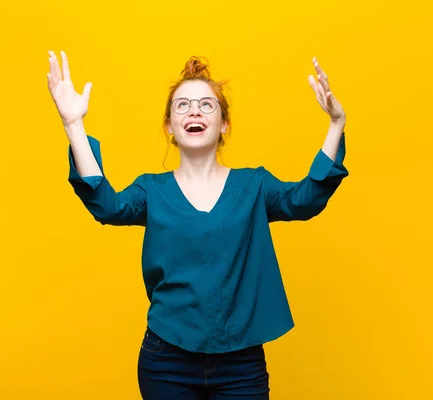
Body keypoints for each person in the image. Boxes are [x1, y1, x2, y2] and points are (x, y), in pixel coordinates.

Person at [46, 50, 349, 399]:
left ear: (224, 124)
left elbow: (306, 199)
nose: (194, 111)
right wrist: (73, 124)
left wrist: (336, 124)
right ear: (169, 126)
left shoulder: (254, 187)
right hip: (166, 361)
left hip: (241, 364)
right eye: (183, 105)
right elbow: (106, 205)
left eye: (207, 105)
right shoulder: (152, 190)